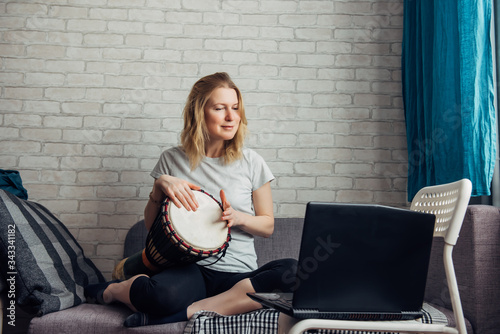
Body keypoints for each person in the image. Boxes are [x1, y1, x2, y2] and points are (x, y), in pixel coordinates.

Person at [85, 72, 297, 327]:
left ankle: (190, 311)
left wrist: (238, 218)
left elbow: (267, 225)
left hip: (239, 276)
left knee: (293, 271)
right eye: (220, 108)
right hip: (191, 270)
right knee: (160, 294)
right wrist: (159, 186)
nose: (231, 117)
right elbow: (153, 227)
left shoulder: (252, 162)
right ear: (199, 112)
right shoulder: (172, 160)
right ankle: (112, 291)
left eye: (235, 108)